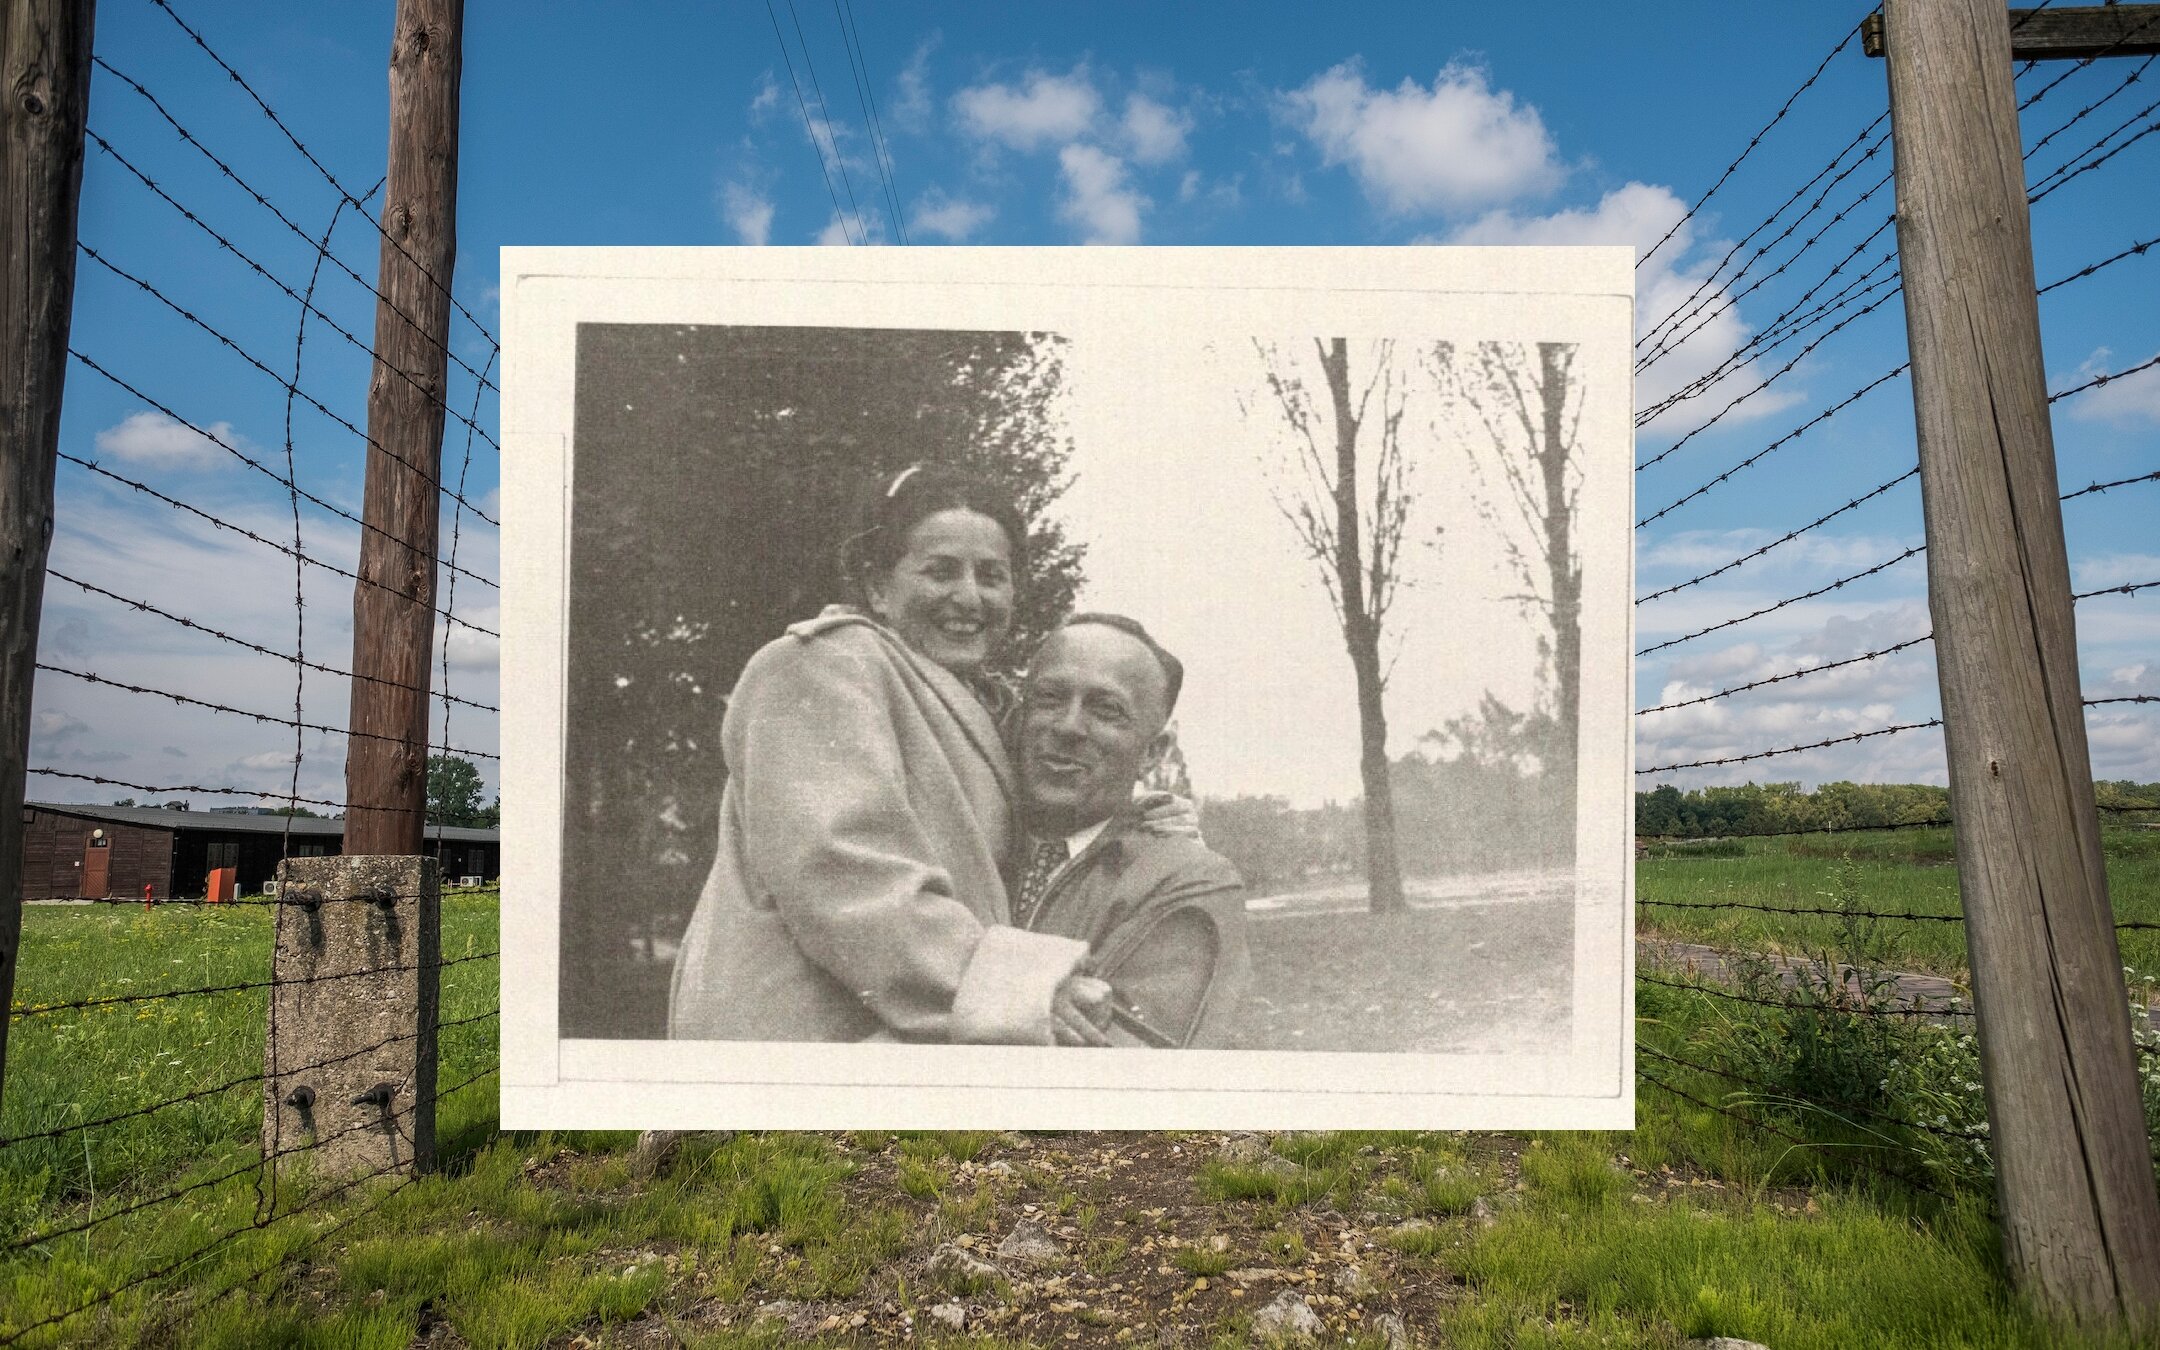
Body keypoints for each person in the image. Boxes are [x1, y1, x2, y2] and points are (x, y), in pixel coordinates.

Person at [667, 464, 1106, 1044]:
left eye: (992, 575)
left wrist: (1135, 815)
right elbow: (843, 868)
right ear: (878, 587)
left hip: (897, 1041)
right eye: (941, 571)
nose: (970, 596)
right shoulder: (822, 664)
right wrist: (1012, 988)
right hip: (802, 1047)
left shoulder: (977, 701)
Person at [1010, 615, 1252, 1048]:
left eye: (1106, 710)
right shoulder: (968, 839)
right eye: (1048, 698)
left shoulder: (1188, 880)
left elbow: (1127, 1070)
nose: (1067, 726)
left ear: (1152, 752)